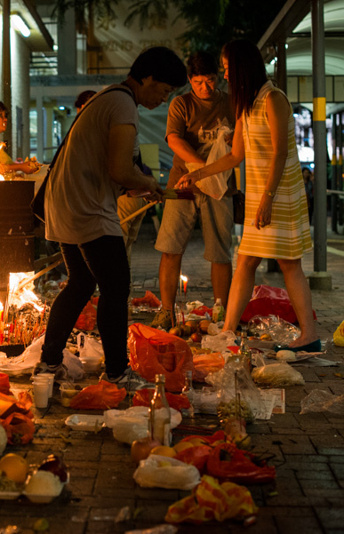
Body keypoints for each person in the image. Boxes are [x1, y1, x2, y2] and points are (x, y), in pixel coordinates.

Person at [38, 46, 187, 384]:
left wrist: (141, 186)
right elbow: (120, 169)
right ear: (146, 78)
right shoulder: (122, 104)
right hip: (86, 206)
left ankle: (48, 364)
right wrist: (149, 182)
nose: (163, 100)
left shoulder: (108, 98)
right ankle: (118, 371)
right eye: (163, 90)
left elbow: (114, 168)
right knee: (116, 286)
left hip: (66, 202)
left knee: (80, 283)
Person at [177, 40, 319, 352]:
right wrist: (197, 174)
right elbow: (235, 155)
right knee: (246, 261)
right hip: (259, 194)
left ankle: (309, 333)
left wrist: (268, 197)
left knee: (288, 263)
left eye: (227, 69)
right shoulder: (247, 103)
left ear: (242, 67)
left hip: (279, 192)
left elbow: (280, 153)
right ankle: (229, 330)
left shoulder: (273, 98)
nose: (224, 76)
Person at [151, 51, 236, 329]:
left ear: (217, 79)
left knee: (220, 251)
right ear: (190, 80)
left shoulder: (231, 103)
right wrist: (201, 169)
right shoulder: (181, 104)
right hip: (183, 183)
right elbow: (174, 140)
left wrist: (212, 173)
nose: (205, 87)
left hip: (220, 188)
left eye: (210, 80)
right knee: (170, 247)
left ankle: (221, 310)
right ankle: (166, 310)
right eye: (198, 82)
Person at [0, 101, 39, 175]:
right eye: (0, 115)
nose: (5, 119)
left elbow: (2, 167)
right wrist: (20, 167)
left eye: (5, 116)